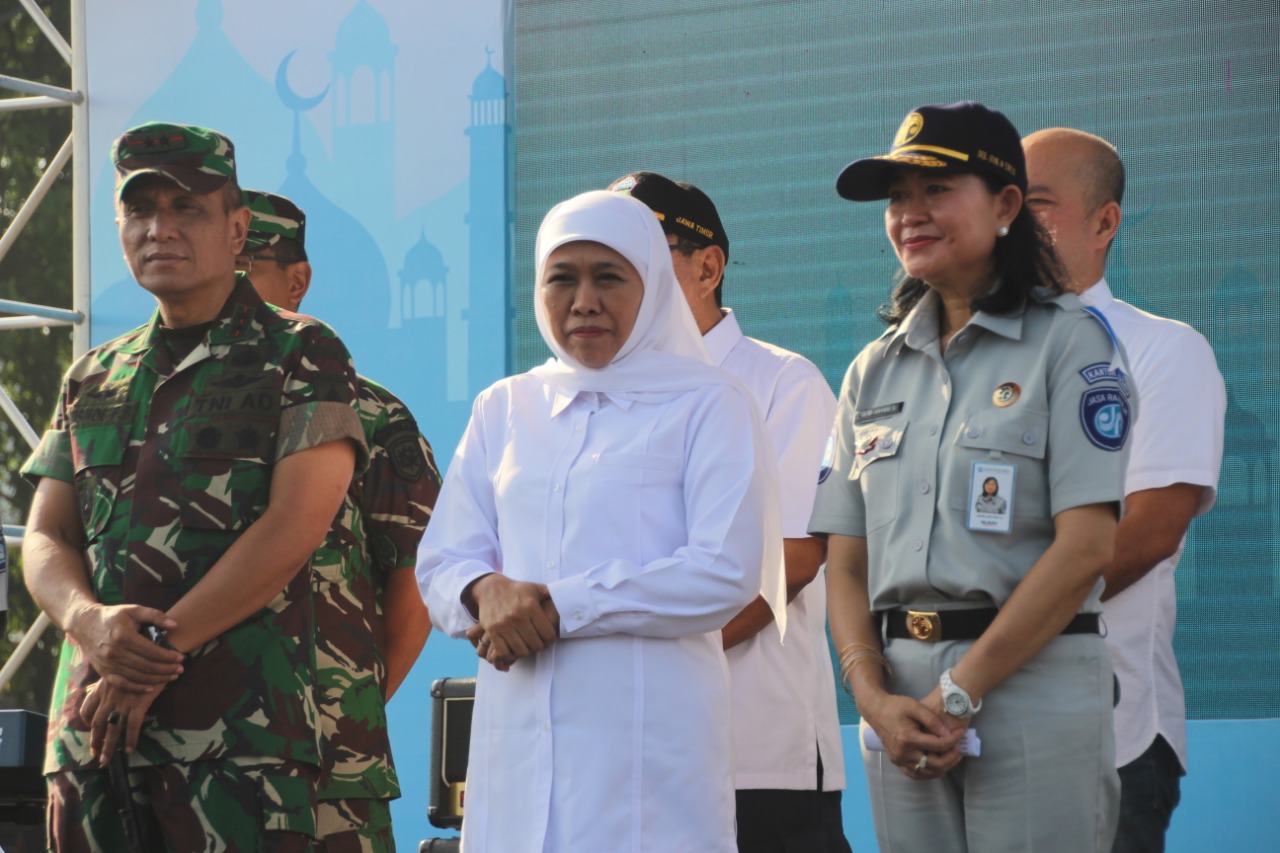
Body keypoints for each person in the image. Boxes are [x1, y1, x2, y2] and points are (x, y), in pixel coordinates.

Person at [21, 122, 367, 852]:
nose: (161, 229)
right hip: (91, 740)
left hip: (237, 745)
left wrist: (145, 654)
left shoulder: (301, 351)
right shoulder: (92, 375)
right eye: (141, 211)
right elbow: (47, 537)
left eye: (188, 209)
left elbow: (293, 526)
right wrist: (91, 624)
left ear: (238, 229)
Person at [416, 189, 786, 853]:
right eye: (562, 277)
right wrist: (485, 591)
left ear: (653, 287)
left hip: (648, 760)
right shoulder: (506, 406)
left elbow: (724, 570)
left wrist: (563, 606)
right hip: (516, 747)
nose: (583, 300)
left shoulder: (709, 403)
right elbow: (443, 559)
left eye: (608, 276)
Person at [810, 101, 1132, 853]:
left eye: (935, 190)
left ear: (1008, 205)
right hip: (898, 711)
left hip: (1031, 691)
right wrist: (871, 698)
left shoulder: (1070, 343)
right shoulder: (872, 369)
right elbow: (845, 561)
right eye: (896, 198)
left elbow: (1085, 547)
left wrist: (960, 692)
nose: (908, 215)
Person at [608, 170, 850, 853]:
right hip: (627, 757)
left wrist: (646, 671)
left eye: (638, 256)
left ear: (708, 266)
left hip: (756, 758)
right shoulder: (596, 400)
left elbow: (792, 560)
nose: (613, 281)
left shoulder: (782, 382)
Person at [1022, 127, 1226, 853]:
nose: (1015, 223)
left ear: (1105, 222)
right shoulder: (961, 359)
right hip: (973, 736)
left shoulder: (1163, 350)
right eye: (1007, 203)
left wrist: (990, 632)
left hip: (1109, 739)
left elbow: (1148, 531)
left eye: (1039, 204)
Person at [239, 189, 442, 852]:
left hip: (328, 769)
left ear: (296, 280)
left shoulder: (369, 414)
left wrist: (348, 709)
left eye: (245, 269)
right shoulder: (156, 409)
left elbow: (416, 583)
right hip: (184, 755)